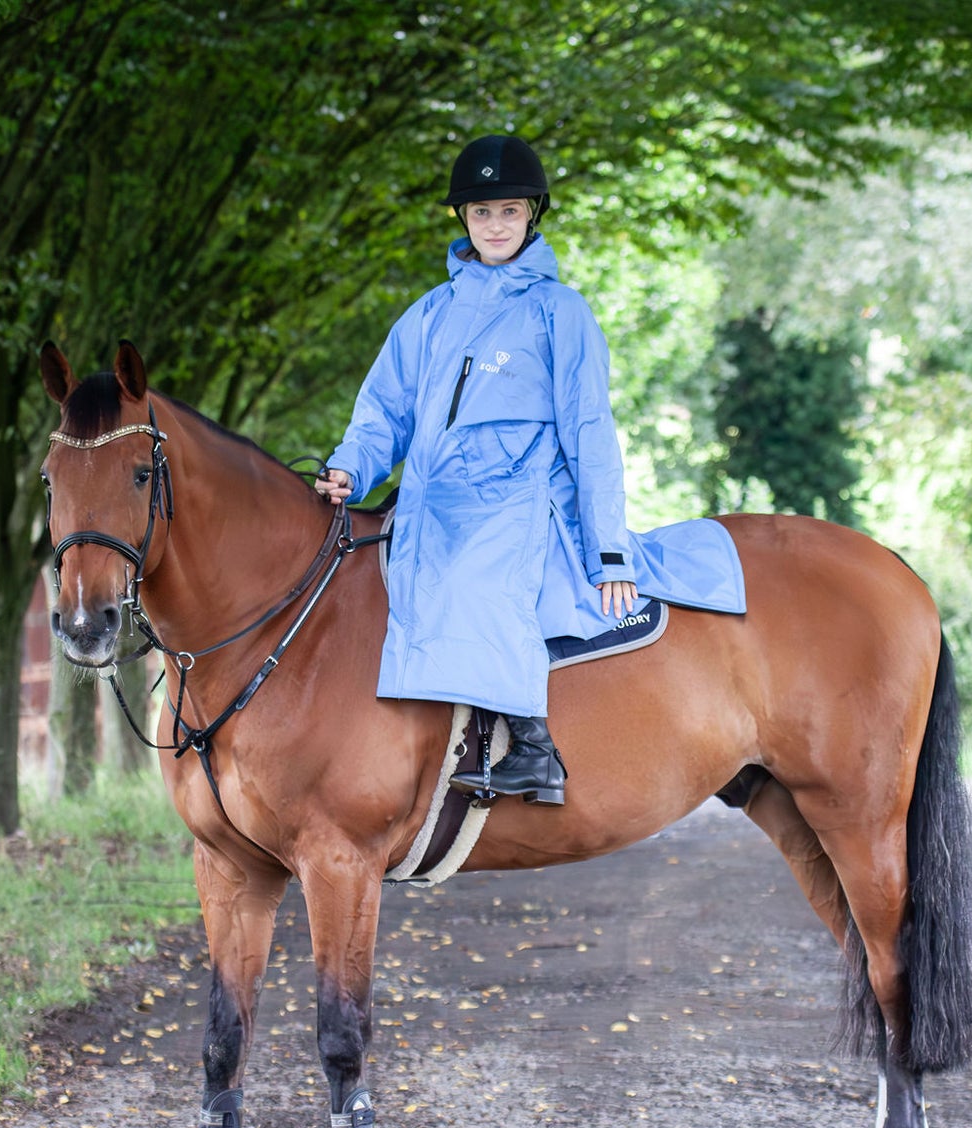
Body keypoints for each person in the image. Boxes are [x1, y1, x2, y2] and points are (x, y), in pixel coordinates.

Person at [316, 134, 745, 805]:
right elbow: (383, 412)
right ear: (463, 219)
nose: (495, 225)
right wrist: (350, 467)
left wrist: (610, 554)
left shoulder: (561, 313)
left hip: (520, 502)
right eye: (482, 213)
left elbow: (590, 434)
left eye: (509, 211)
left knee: (477, 579)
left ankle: (535, 747)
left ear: (531, 216)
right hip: (432, 501)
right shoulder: (428, 315)